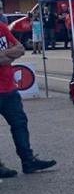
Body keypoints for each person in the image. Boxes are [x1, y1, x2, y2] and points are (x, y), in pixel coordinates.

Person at [0, 14, 55, 178]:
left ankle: (28, 160)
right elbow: (14, 51)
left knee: (20, 125)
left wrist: (4, 55)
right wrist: (9, 54)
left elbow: (21, 48)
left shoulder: (2, 27)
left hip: (9, 88)